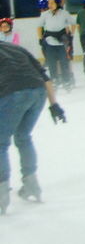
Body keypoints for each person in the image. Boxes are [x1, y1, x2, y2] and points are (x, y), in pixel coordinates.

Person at [0, 40, 67, 213]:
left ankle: (2, 193)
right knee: (23, 137)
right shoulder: (16, 48)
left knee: (1, 143)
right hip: (38, 91)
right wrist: (54, 104)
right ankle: (31, 184)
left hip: (12, 93)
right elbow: (44, 76)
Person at [37, 0, 74, 87]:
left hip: (62, 42)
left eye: (51, 3)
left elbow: (73, 23)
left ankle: (67, 80)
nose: (49, 5)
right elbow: (39, 26)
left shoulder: (64, 13)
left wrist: (71, 35)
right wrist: (40, 38)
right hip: (50, 41)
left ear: (57, 3)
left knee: (64, 62)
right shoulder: (45, 14)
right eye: (48, 3)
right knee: (51, 62)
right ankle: (54, 79)